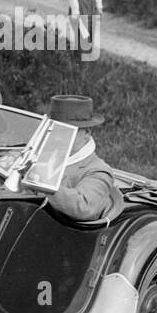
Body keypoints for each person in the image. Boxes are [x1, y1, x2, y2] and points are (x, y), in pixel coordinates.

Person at [39, 95, 123, 223]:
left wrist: (42, 184)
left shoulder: (98, 170)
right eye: (56, 129)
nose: (59, 137)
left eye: (67, 131)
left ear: (87, 132)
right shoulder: (41, 155)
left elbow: (85, 207)